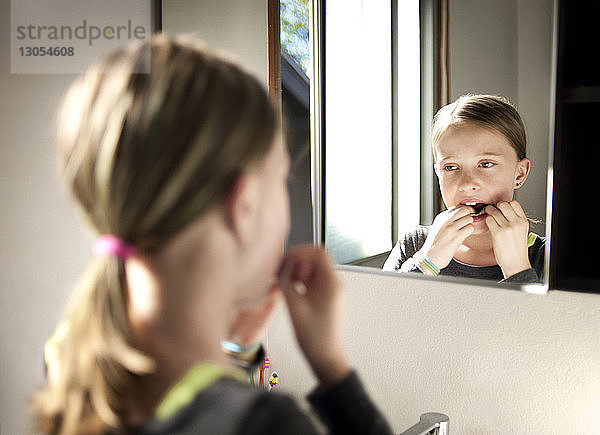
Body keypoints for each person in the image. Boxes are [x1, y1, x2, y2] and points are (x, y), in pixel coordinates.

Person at [33, 35, 393, 434]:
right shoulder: (262, 424)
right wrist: (333, 370)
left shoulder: (69, 358)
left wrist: (234, 350)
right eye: (281, 178)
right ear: (244, 203)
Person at [383, 94, 545, 283]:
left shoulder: (548, 257)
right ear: (438, 173)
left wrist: (518, 270)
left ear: (520, 173)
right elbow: (380, 310)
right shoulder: (415, 245)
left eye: (485, 164)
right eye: (451, 167)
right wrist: (426, 262)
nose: (467, 184)